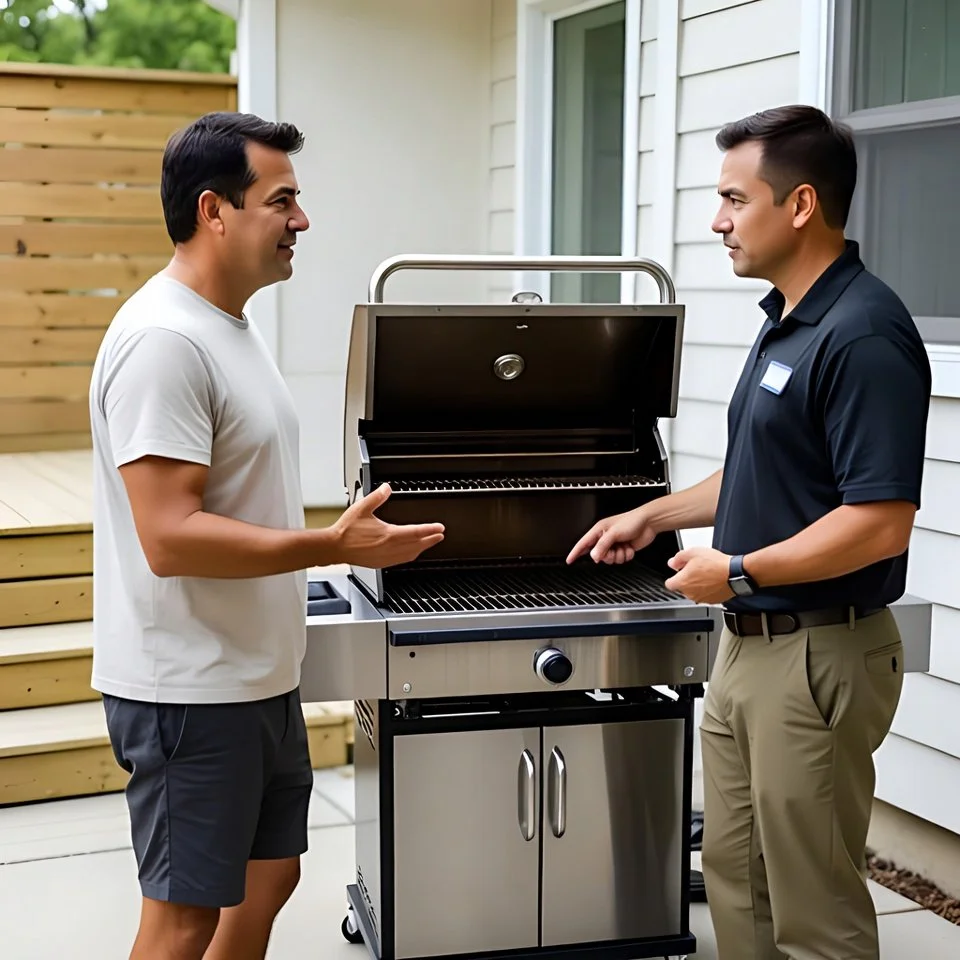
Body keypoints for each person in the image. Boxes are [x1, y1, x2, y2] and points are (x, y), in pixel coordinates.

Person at [567, 104, 931, 960]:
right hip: (749, 646)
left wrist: (734, 571)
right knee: (736, 876)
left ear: (800, 205)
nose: (716, 220)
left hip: (815, 652)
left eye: (734, 198)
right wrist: (652, 515)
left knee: (812, 907)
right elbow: (769, 468)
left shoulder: (863, 333)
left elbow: (879, 523)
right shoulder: (790, 319)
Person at [88, 112, 444, 960]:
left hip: (249, 676)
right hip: (188, 688)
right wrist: (332, 547)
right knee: (183, 916)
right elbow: (169, 536)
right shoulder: (164, 343)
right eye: (282, 200)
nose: (302, 221)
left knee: (272, 872)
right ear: (215, 211)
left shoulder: (227, 326)